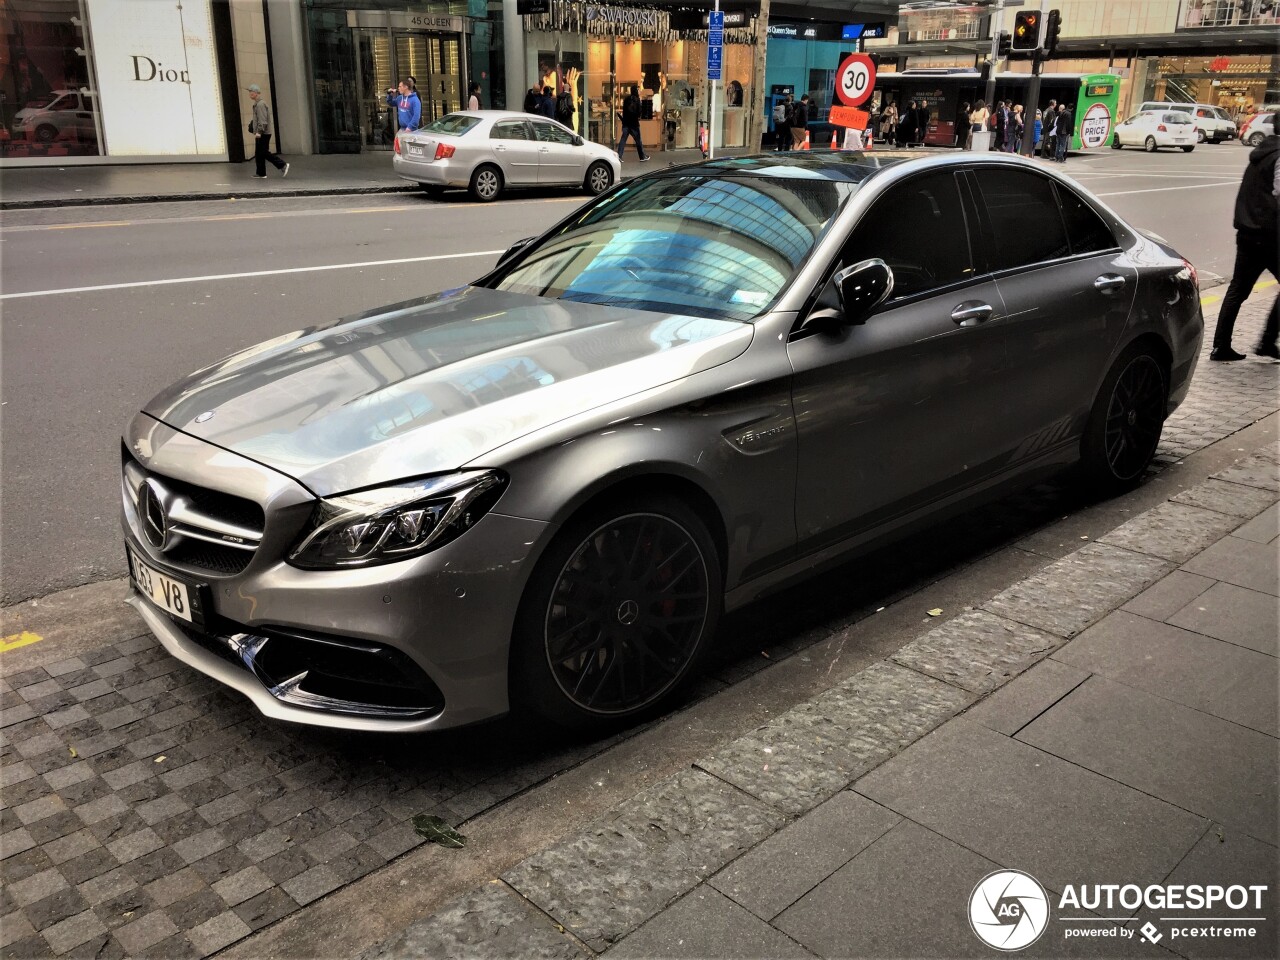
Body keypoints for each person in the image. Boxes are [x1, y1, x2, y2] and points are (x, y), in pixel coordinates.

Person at [1209, 133, 1279, 361]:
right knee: (1239, 288)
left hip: (1248, 232)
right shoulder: (1278, 157)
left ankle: (1220, 346)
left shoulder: (1260, 155)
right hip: (1271, 235)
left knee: (1238, 288)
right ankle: (1267, 341)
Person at [246, 84, 288, 179]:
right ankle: (261, 173)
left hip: (263, 133)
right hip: (262, 133)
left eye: (251, 91)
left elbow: (263, 121)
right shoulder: (258, 104)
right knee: (259, 153)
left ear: (256, 93)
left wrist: (259, 132)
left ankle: (282, 165)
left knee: (263, 152)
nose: (249, 93)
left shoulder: (260, 105)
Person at [617, 84, 648, 161]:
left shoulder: (626, 99)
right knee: (638, 140)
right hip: (634, 124)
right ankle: (642, 156)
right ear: (636, 91)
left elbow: (624, 111)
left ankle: (619, 156)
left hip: (626, 123)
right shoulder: (637, 100)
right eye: (638, 89)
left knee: (623, 140)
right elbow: (639, 112)